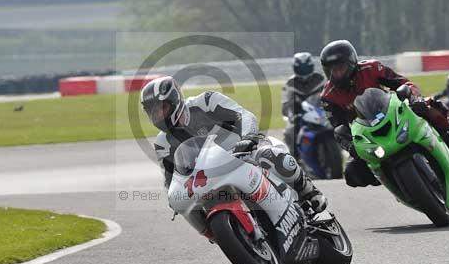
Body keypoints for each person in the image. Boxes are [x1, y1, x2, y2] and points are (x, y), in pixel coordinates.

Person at [140, 76, 327, 213]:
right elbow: (170, 180)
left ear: (174, 101)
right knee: (188, 207)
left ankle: (310, 192)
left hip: (245, 152)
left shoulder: (205, 102)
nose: (157, 116)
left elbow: (243, 115)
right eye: (152, 112)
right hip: (211, 177)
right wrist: (175, 199)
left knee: (270, 156)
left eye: (161, 108)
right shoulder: (163, 143)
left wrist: (248, 137)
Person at [319, 40, 449, 188]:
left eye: (340, 68)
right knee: (352, 175)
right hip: (366, 133)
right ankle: (387, 178)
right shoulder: (328, 96)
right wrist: (352, 147)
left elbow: (403, 82)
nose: (337, 74)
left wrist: (414, 97)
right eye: (332, 70)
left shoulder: (372, 68)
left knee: (431, 106)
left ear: (351, 63)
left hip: (392, 112)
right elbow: (339, 126)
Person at [280, 52, 327, 159]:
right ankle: (295, 158)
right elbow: (286, 103)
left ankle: (344, 148)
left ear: (312, 67)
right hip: (300, 116)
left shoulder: (320, 79)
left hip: (320, 112)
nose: (304, 71)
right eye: (301, 68)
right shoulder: (290, 83)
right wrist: (291, 114)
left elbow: (329, 94)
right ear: (295, 68)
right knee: (289, 133)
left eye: (306, 68)